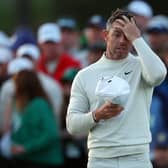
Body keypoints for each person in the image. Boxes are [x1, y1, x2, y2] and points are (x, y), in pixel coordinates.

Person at [66, 9, 167, 168]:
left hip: (137, 157)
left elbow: (158, 75)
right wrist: (97, 115)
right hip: (100, 158)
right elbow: (72, 125)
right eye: (117, 34)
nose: (122, 40)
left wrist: (137, 38)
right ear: (106, 36)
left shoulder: (143, 65)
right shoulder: (84, 75)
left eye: (128, 36)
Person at [8, 70, 63, 168]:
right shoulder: (22, 105)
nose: (14, 88)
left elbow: (51, 134)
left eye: (16, 83)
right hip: (28, 159)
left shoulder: (39, 104)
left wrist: (26, 148)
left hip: (44, 161)